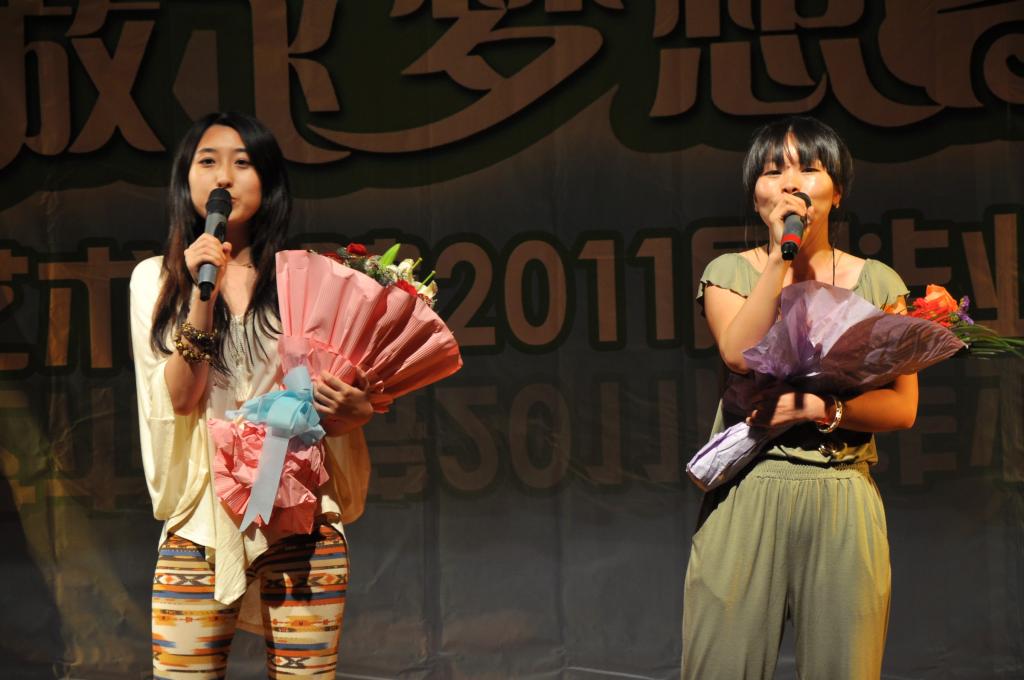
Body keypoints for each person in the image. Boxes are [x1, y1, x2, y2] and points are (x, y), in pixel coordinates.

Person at [130, 111, 373, 678]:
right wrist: (202, 294)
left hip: (300, 515)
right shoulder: (158, 280)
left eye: (242, 163)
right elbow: (181, 399)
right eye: (207, 162)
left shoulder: (306, 279)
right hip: (201, 522)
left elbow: (331, 398)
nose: (224, 177)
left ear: (268, 180)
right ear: (185, 180)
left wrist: (358, 410)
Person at [682, 116, 918, 680]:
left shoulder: (879, 283)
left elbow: (903, 407)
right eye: (772, 171)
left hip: (841, 492)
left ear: (837, 191)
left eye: (808, 169)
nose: (789, 182)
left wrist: (824, 409)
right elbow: (740, 353)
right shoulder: (730, 272)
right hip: (748, 489)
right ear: (755, 195)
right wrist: (780, 257)